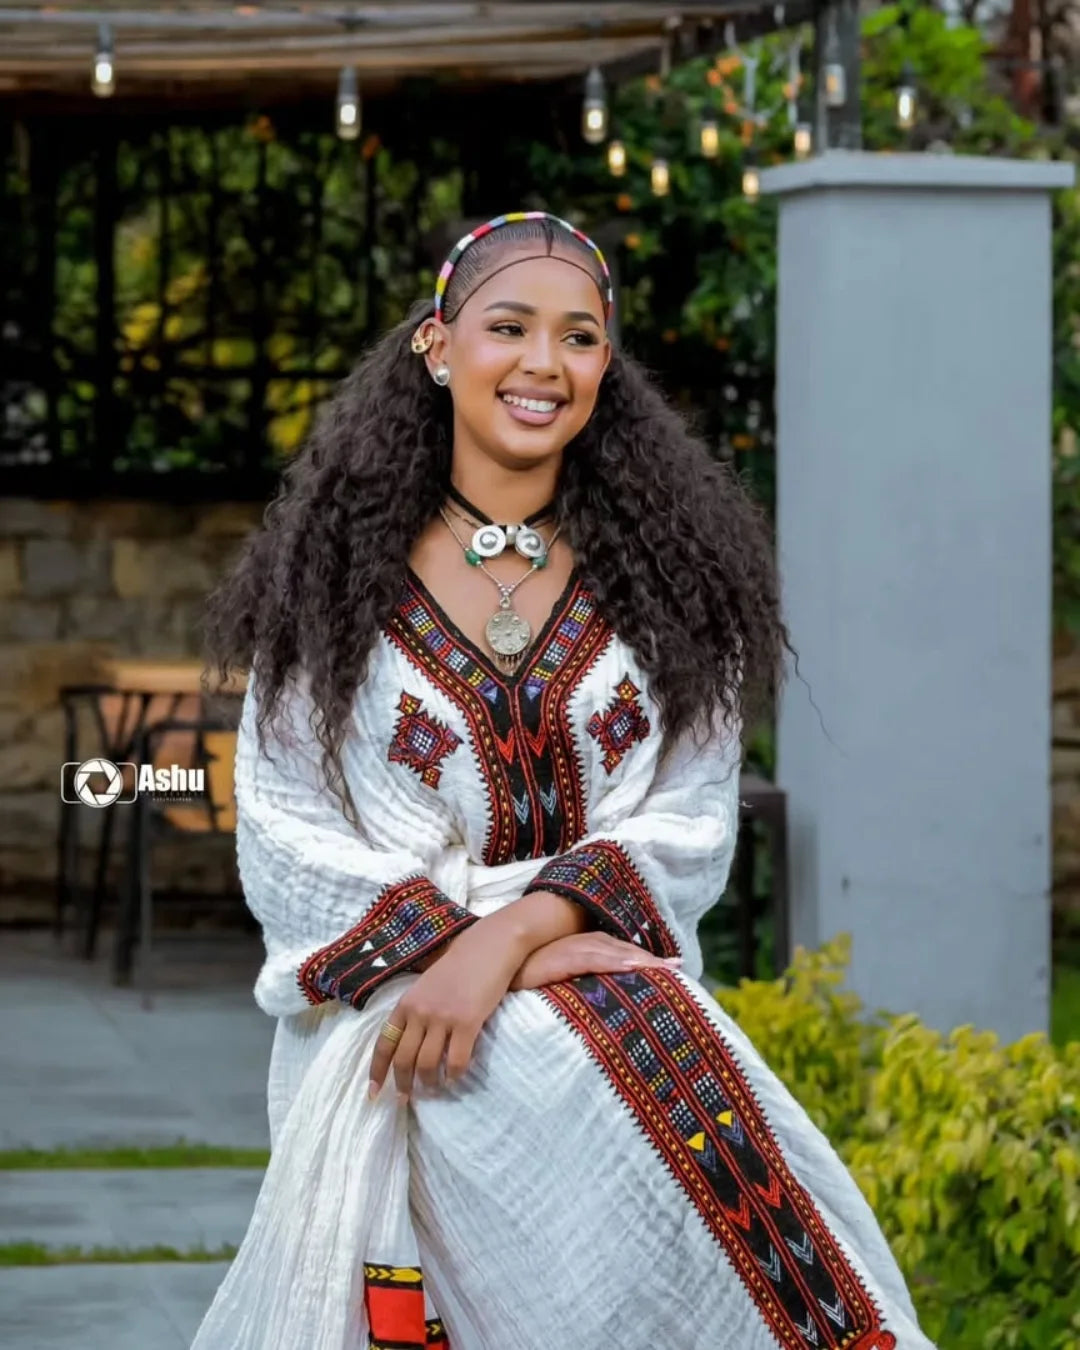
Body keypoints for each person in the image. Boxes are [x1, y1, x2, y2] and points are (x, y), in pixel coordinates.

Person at [194, 211, 934, 1350]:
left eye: (580, 338)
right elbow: (292, 833)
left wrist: (508, 946)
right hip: (402, 1010)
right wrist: (489, 956)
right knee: (549, 1067)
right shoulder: (330, 589)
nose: (545, 363)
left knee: (678, 1123)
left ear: (606, 369)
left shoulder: (671, 587)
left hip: (610, 989)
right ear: (439, 349)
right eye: (509, 327)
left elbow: (687, 818)